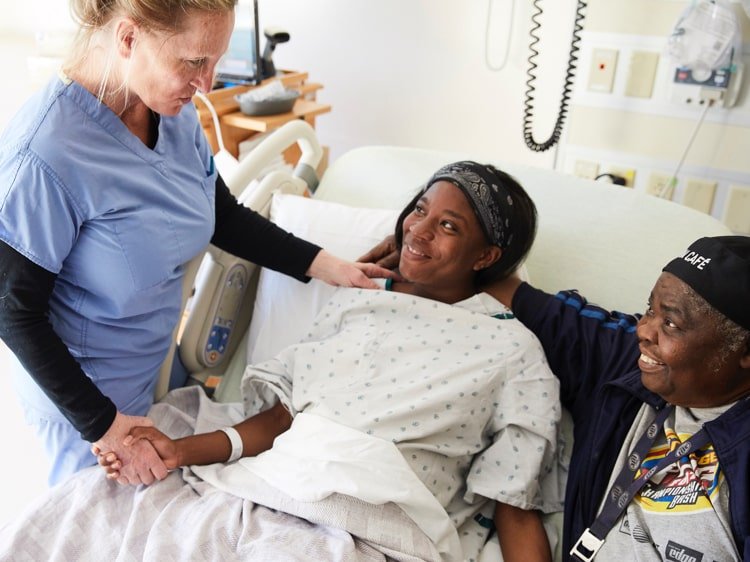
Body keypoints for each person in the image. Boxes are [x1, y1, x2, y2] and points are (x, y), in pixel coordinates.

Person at [0, 0, 392, 488]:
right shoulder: (45, 154)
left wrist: (324, 263)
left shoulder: (171, 109)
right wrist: (105, 427)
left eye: (216, 62)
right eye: (193, 62)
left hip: (161, 377)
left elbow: (220, 215)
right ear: (127, 39)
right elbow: (13, 311)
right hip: (87, 407)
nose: (207, 84)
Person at [91, 161, 563, 561]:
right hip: (277, 483)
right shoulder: (358, 302)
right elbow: (280, 420)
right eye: (420, 210)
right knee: (99, 511)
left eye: (448, 227)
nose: (418, 230)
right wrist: (179, 451)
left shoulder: (513, 351)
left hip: (379, 521)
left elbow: (514, 507)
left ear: (487, 255)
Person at [363, 233, 750, 560]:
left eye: (671, 322)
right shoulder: (621, 361)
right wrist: (431, 252)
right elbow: (527, 301)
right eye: (649, 309)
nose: (643, 331)